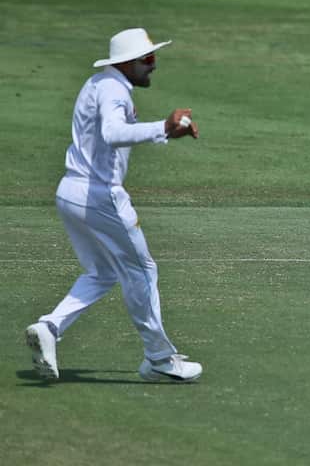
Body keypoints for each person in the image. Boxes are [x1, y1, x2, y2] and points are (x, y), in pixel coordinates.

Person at [25, 28, 203, 382]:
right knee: (142, 270)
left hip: (70, 192)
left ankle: (50, 327)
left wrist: (166, 132)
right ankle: (159, 359)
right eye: (148, 59)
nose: (153, 66)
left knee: (103, 273)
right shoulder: (112, 90)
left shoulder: (98, 83)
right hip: (100, 195)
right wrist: (164, 128)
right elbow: (112, 133)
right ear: (127, 63)